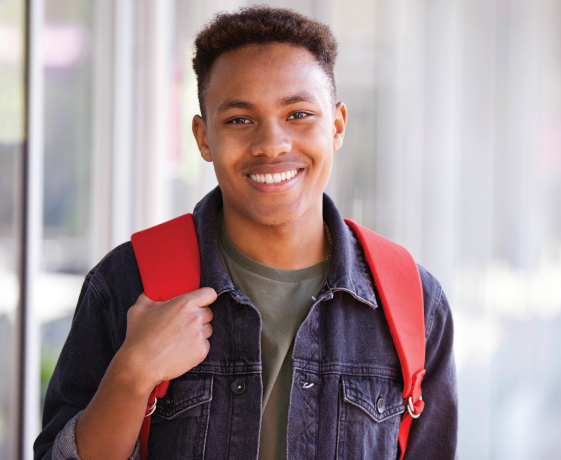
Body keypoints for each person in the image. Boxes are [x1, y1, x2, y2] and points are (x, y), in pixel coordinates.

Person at [34, 6, 458, 460]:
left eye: (298, 114)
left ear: (336, 126)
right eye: (239, 119)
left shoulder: (412, 302)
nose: (272, 144)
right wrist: (134, 371)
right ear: (203, 137)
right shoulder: (128, 283)